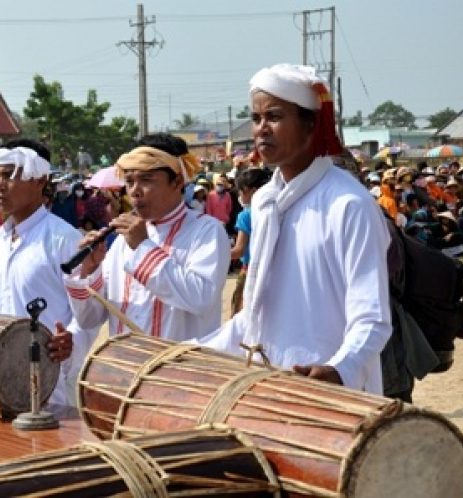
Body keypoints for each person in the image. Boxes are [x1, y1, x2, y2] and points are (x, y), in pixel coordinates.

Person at [196, 64, 392, 395]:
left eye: (274, 116)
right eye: (256, 119)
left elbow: (372, 318)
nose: (261, 129)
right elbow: (254, 317)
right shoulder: (264, 202)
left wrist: (339, 368)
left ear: (311, 124)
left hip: (334, 397)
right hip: (268, 388)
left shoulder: (348, 204)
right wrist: (191, 353)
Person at [64, 133, 230, 341]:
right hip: (124, 370)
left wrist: (143, 246)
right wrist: (89, 270)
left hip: (177, 370)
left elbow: (202, 298)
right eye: (130, 181)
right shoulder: (122, 242)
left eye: (146, 180)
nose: (134, 191)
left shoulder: (206, 231)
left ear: (177, 180)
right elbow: (89, 319)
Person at [0, 138, 90, 406]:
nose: (0, 185)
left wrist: (71, 341)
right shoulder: (1, 236)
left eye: (9, 175)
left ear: (39, 178)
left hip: (47, 382)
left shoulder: (64, 238)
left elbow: (88, 314)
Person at [229, 168, 271, 317]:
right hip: (272, 271)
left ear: (253, 191)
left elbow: (239, 250)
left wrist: (217, 253)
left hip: (250, 271)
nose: (240, 195)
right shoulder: (277, 209)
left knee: (242, 315)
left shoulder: (246, 215)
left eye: (241, 191)